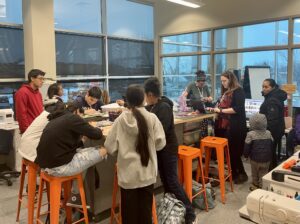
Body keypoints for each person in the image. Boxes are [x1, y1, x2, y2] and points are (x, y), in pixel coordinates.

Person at [104, 85, 166, 224]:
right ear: (143, 99)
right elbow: (161, 143)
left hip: (128, 176)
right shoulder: (152, 118)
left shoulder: (120, 120)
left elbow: (109, 146)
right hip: (147, 173)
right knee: (145, 212)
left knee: (129, 215)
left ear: (128, 101)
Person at [144, 77, 197, 224]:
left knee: (172, 181)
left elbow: (160, 130)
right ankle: (173, 208)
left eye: (145, 96)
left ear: (150, 94)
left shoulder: (164, 107)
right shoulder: (153, 106)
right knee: (166, 181)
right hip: (160, 149)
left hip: (168, 149)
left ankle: (190, 213)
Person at [35, 101, 106, 207]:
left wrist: (82, 139)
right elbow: (97, 135)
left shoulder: (55, 120)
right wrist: (95, 128)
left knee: (86, 151)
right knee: (103, 149)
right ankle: (75, 196)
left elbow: (66, 144)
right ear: (77, 111)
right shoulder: (73, 118)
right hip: (59, 168)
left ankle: (74, 194)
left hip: (45, 166)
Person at [208, 70, 248, 184]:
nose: (223, 83)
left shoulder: (238, 91)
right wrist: (215, 108)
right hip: (226, 126)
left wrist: (220, 110)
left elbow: (237, 109)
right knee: (230, 153)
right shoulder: (226, 93)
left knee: (234, 153)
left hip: (235, 127)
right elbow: (222, 105)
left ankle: (241, 174)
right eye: (221, 81)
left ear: (231, 80)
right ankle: (234, 174)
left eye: (224, 81)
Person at [259, 78, 287, 170]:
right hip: (276, 130)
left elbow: (272, 120)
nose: (263, 89)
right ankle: (272, 172)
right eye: (263, 86)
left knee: (269, 154)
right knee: (271, 154)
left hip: (272, 131)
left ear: (273, 87)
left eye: (266, 87)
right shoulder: (273, 96)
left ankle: (270, 173)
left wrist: (266, 132)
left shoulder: (272, 100)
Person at [244, 113, 273, 191]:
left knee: (255, 173)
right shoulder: (268, 133)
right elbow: (272, 144)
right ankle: (262, 186)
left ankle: (255, 185)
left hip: (254, 159)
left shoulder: (250, 134)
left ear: (251, 123)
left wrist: (246, 156)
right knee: (263, 173)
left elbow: (247, 147)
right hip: (267, 159)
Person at [15, 69, 45, 134]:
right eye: (40, 79)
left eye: (43, 79)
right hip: (29, 131)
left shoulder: (38, 93)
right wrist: (25, 131)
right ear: (32, 78)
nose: (42, 81)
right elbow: (21, 114)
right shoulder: (22, 92)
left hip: (39, 129)